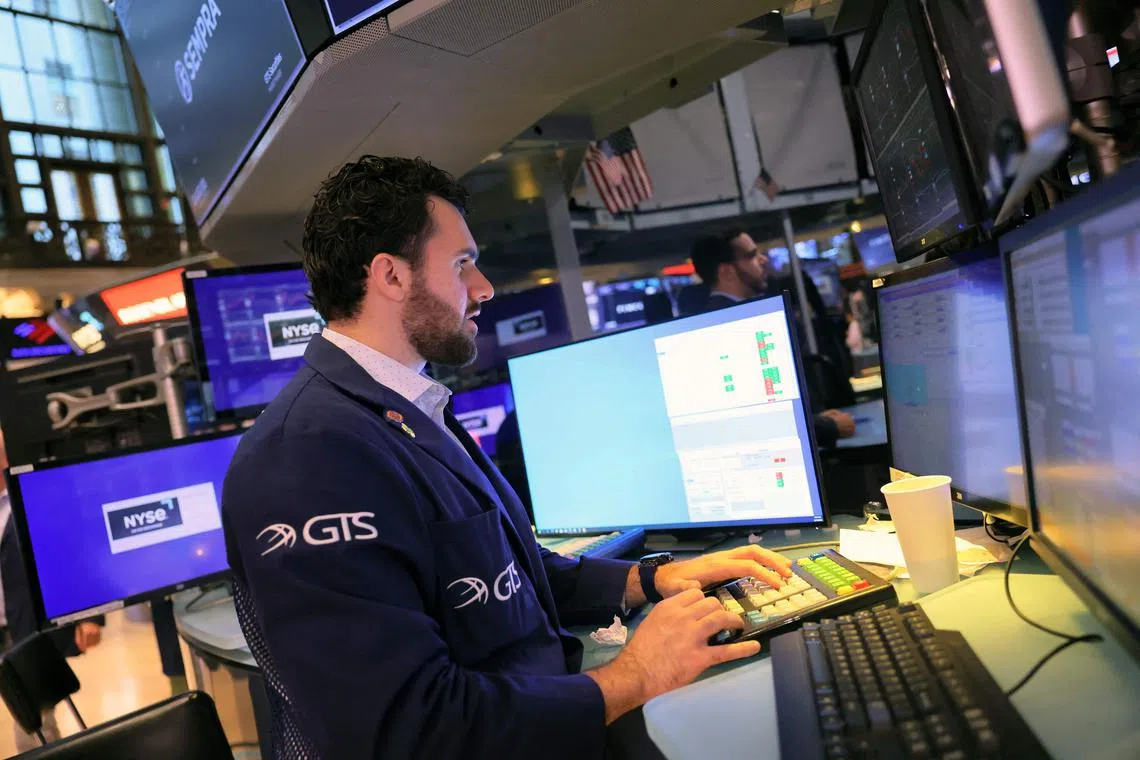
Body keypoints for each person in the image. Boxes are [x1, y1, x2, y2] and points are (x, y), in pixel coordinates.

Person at [222, 156, 794, 760]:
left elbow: (504, 573)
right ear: (391, 276)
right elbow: (406, 729)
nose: (484, 288)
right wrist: (634, 675)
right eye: (463, 264)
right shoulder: (307, 458)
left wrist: (645, 579)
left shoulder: (406, 407)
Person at [689, 229, 857, 445]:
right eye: (751, 256)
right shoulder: (733, 325)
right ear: (727, 271)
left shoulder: (723, 318)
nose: (763, 259)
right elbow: (761, 416)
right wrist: (828, 428)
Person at [0, 428, 102, 751]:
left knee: (35, 719)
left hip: (25, 629)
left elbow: (76, 556)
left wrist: (91, 617)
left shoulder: (32, 494)